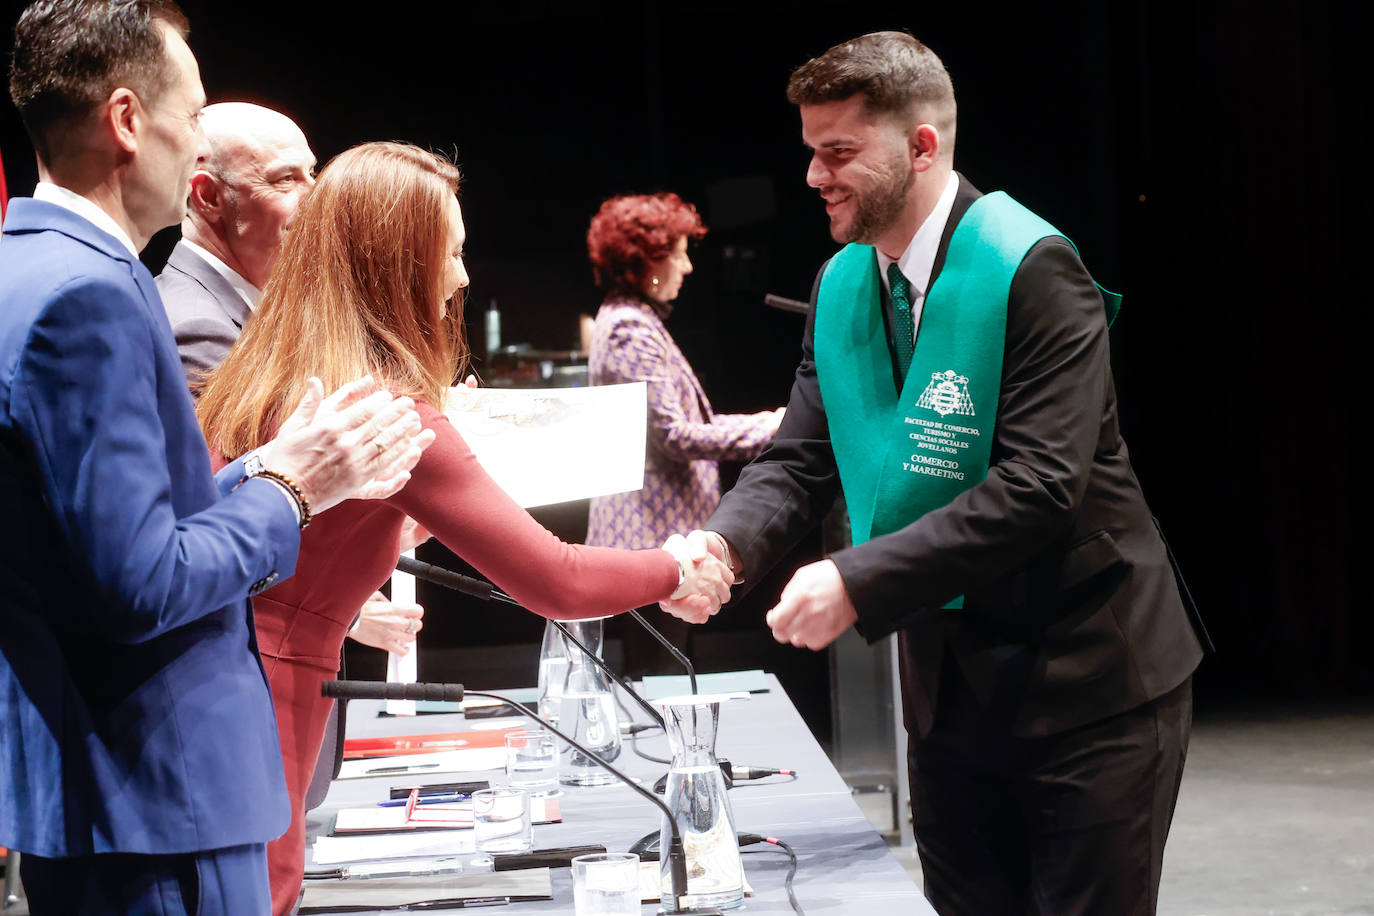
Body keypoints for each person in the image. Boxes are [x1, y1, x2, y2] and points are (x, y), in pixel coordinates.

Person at [663, 31, 1207, 915]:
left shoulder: (1032, 267)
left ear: (922, 147)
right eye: (810, 152)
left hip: (1087, 681)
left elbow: (1039, 486)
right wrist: (722, 548)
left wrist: (854, 577)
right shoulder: (843, 285)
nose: (814, 176)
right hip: (949, 694)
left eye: (838, 152)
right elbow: (801, 459)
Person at [194, 141, 736, 915]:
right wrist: (677, 566)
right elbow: (557, 581)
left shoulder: (266, 371)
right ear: (397, 263)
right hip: (267, 696)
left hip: (207, 683)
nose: (463, 276)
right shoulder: (384, 409)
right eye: (450, 252)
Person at [0, 2, 431, 913]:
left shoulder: (24, 266)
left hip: (104, 801)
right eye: (193, 118)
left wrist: (259, 471)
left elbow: (105, 536)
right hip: (161, 802)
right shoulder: (92, 293)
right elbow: (139, 585)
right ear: (126, 121)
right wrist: (293, 486)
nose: (198, 147)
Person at [584, 192, 783, 673]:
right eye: (679, 253)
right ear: (647, 262)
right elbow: (675, 436)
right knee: (659, 675)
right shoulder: (630, 327)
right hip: (649, 536)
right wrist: (769, 429)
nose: (688, 267)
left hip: (657, 535)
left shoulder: (637, 320)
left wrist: (770, 424)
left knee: (665, 672)